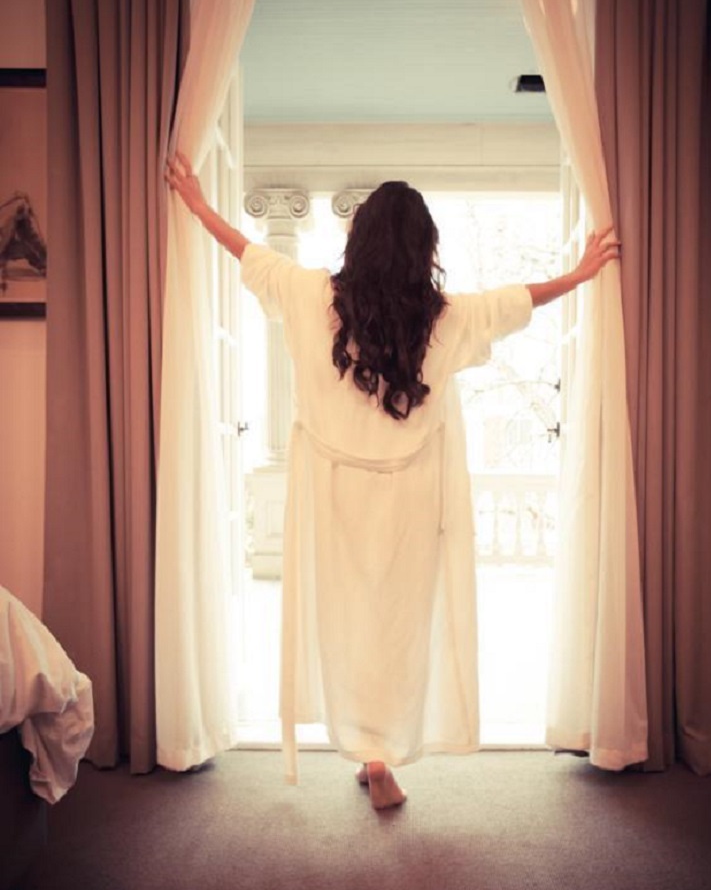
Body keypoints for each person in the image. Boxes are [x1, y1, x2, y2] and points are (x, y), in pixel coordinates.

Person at [165, 152, 620, 810]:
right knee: (397, 625)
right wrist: (579, 273)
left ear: (359, 240)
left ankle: (368, 751)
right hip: (412, 498)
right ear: (422, 248)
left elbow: (246, 251)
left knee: (348, 622)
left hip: (333, 494)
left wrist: (198, 203)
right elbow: (518, 300)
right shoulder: (445, 316)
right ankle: (380, 755)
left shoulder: (310, 295)